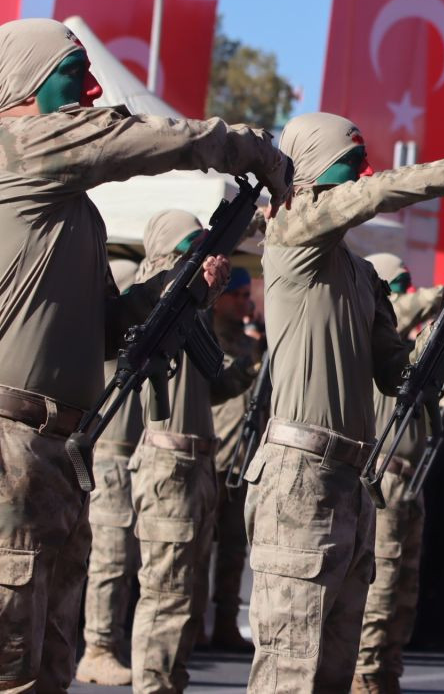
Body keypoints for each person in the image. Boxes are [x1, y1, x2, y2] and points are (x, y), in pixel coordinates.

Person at [0, 17, 290, 691]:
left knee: (46, 669)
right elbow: (140, 139)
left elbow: (106, 328)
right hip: (13, 446)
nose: (93, 90)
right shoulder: (19, 145)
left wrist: (178, 289)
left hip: (55, 457)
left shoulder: (74, 212)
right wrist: (248, 148)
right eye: (72, 78)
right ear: (21, 87)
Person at [245, 111, 444, 692]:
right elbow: (383, 194)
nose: (366, 174)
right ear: (309, 171)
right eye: (353, 164)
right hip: (299, 475)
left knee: (336, 670)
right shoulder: (291, 231)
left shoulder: (361, 277)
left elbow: (397, 375)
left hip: (351, 479)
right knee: (290, 670)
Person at [130, 210, 261, 693]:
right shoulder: (158, 291)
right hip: (169, 459)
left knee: (184, 597)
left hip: (198, 461)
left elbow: (213, 386)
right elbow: (160, 287)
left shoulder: (192, 309)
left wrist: (249, 371)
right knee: (166, 594)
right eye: (191, 248)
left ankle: (170, 682)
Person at [354, 252, 444, 693]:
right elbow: (406, 308)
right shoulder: (380, 328)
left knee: (403, 588)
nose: (407, 291)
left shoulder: (407, 347)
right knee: (382, 582)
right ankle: (365, 672)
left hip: (410, 478)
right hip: (384, 474)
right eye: (400, 283)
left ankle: (386, 668)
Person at [75, 259, 145, 686]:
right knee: (110, 558)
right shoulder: (106, 341)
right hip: (110, 457)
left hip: (126, 456)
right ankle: (98, 648)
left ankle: (104, 643)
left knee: (119, 558)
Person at [201, 266, 262, 652]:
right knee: (199, 547)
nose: (244, 301)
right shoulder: (208, 337)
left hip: (243, 459)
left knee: (233, 550)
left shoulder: (250, 343)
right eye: (236, 294)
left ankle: (225, 623)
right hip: (215, 454)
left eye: (245, 295)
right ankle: (193, 624)